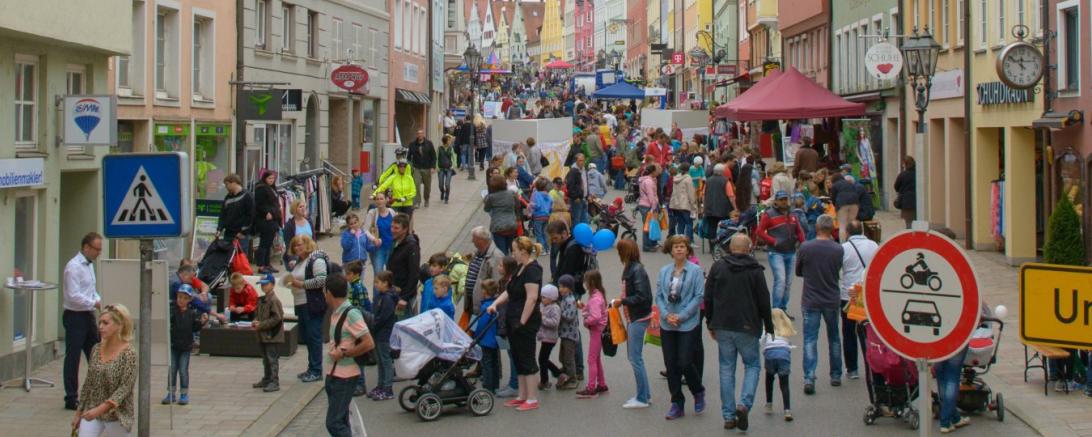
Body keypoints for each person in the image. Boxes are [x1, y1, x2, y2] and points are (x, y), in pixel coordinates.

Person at [705, 233, 774, 431]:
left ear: (730, 247)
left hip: (723, 324)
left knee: (726, 368)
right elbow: (763, 300)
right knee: (752, 365)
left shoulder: (718, 266)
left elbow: (708, 296)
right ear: (749, 248)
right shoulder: (754, 270)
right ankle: (744, 404)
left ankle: (728, 415)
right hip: (747, 325)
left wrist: (710, 321)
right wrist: (768, 325)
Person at [486, 237, 545, 411]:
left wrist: (522, 321)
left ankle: (532, 398)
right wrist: (495, 303)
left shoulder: (533, 270)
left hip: (525, 321)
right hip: (513, 319)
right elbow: (509, 291)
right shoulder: (520, 268)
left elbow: (532, 297)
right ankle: (522, 395)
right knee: (517, 357)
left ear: (523, 252)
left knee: (527, 358)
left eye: (514, 250)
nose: (512, 253)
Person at [657, 235, 707, 420]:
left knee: (685, 362)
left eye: (682, 246)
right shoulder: (664, 271)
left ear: (687, 250)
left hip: (687, 323)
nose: (679, 249)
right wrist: (665, 314)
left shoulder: (695, 271)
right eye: (676, 247)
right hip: (667, 323)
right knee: (671, 364)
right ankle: (676, 402)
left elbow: (698, 296)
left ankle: (698, 390)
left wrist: (682, 315)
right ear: (671, 250)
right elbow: (659, 296)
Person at [795, 215, 844, 394]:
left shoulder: (806, 247)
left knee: (810, 339)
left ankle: (809, 376)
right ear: (832, 229)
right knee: (834, 337)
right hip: (831, 298)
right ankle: (836, 374)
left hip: (811, 299)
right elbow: (838, 269)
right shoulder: (838, 249)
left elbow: (798, 270)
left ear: (816, 228)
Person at [71, 304, 137, 436]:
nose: (100, 327)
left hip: (117, 414)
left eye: (105, 323)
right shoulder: (96, 349)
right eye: (99, 322)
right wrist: (79, 413)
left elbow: (125, 388)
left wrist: (100, 409)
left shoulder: (129, 353)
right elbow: (88, 383)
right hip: (92, 410)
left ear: (120, 325)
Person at [324, 274, 375, 437]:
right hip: (333, 373)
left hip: (345, 376)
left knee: (334, 423)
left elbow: (368, 342)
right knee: (342, 419)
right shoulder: (336, 313)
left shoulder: (351, 314)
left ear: (329, 293)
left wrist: (345, 353)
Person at [63, 232, 103, 411]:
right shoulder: (73, 267)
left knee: (96, 354)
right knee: (73, 357)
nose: (98, 253)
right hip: (75, 315)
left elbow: (90, 289)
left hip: (88, 315)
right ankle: (71, 397)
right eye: (97, 249)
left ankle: (97, 392)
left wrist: (98, 299)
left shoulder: (89, 265)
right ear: (86, 247)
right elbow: (73, 296)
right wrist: (93, 302)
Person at [613, 239, 653, 409]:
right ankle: (644, 394)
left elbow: (642, 296)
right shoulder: (633, 268)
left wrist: (622, 301)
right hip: (635, 317)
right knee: (635, 357)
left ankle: (643, 397)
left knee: (635, 357)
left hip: (638, 317)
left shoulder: (636, 270)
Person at [284, 234, 328, 383]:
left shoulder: (316, 260)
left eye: (300, 245)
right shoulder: (300, 261)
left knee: (314, 336)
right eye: (295, 245)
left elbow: (321, 280)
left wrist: (301, 284)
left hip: (312, 303)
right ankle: (312, 367)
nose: (297, 248)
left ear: (308, 245)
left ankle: (316, 370)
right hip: (301, 303)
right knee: (307, 336)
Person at [840, 220, 878, 380]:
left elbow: (839, 270)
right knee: (868, 333)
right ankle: (871, 367)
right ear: (862, 230)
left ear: (847, 232)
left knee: (849, 332)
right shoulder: (874, 245)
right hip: (868, 293)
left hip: (850, 294)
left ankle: (852, 369)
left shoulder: (844, 248)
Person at [755, 191, 806, 312]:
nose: (784, 202)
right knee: (781, 280)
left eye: (785, 199)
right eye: (781, 199)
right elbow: (759, 231)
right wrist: (773, 241)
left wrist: (804, 243)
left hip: (791, 251)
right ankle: (776, 310)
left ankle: (783, 309)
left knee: (788, 283)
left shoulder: (792, 214)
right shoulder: (769, 214)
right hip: (776, 252)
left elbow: (799, 231)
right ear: (776, 201)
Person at [163, 287, 207, 405]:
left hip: (186, 347)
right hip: (174, 345)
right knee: (172, 369)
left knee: (183, 370)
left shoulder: (191, 313)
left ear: (189, 300)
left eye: (184, 298)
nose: (181, 300)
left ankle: (184, 393)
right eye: (179, 297)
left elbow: (194, 328)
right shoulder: (172, 311)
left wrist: (202, 322)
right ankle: (171, 393)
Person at [576, 270, 609, 399]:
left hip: (596, 330)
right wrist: (585, 307)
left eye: (586, 281)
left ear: (592, 282)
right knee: (596, 358)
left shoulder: (595, 298)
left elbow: (595, 316)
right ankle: (601, 384)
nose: (584, 283)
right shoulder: (598, 295)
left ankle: (591, 388)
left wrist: (586, 321)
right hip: (600, 330)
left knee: (591, 359)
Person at [368, 271, 399, 400]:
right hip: (379, 333)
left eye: (377, 282)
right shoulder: (381, 296)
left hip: (384, 334)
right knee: (380, 361)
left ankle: (387, 388)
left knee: (385, 361)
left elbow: (383, 317)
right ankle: (380, 385)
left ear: (385, 283)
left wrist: (373, 326)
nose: (375, 285)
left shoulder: (387, 298)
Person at [253, 273, 285, 393]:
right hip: (263, 335)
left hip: (272, 335)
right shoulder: (262, 300)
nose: (263, 287)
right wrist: (256, 320)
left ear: (272, 285)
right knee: (265, 358)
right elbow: (258, 314)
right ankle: (267, 378)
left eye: (265, 284)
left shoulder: (274, 300)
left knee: (272, 359)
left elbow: (277, 318)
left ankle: (274, 381)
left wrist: (261, 325)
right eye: (262, 285)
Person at [763, 309, 797, 421]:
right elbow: (787, 344)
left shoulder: (767, 329)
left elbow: (759, 339)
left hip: (770, 354)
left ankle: (769, 404)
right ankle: (787, 410)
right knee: (784, 384)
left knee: (769, 378)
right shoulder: (786, 330)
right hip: (783, 355)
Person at [464, 226, 506, 316]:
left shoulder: (497, 256)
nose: (472, 241)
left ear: (481, 240)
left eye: (474, 239)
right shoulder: (477, 253)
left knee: (478, 329)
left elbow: (497, 285)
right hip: (472, 302)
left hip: (484, 306)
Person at [387, 213, 421, 319]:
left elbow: (414, 274)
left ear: (405, 229)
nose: (392, 230)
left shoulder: (411, 246)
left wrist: (405, 298)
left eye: (396, 228)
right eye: (392, 227)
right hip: (394, 292)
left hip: (404, 296)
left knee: (405, 326)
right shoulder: (395, 242)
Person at [253, 170, 282, 274]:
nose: (271, 180)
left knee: (269, 243)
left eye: (273, 178)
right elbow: (259, 204)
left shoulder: (272, 188)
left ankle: (267, 264)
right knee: (264, 243)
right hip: (265, 220)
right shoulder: (261, 188)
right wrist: (266, 212)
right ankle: (261, 266)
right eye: (269, 178)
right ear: (265, 178)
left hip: (273, 218)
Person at [476, 279, 502, 393]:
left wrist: (476, 336)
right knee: (494, 362)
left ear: (485, 292)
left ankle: (487, 387)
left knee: (486, 364)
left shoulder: (485, 307)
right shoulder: (496, 304)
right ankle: (495, 385)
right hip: (494, 339)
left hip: (486, 340)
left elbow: (482, 324)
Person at [555, 275, 581, 390]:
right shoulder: (564, 299)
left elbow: (569, 317)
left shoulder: (570, 301)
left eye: (563, 287)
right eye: (559, 286)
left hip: (570, 334)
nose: (560, 289)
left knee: (569, 357)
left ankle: (572, 378)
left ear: (569, 288)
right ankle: (566, 373)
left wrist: (558, 311)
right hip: (565, 333)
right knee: (563, 356)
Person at [484, 175, 521, 255]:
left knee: (501, 251)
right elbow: (518, 206)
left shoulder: (491, 197)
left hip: (498, 227)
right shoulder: (512, 194)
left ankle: (505, 264)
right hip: (511, 224)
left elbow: (486, 209)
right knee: (511, 248)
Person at [537, 284, 563, 390]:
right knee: (543, 359)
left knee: (542, 359)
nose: (542, 299)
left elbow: (555, 323)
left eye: (544, 297)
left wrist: (542, 318)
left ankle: (551, 377)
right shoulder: (543, 306)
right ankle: (548, 378)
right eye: (541, 297)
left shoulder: (555, 308)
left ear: (551, 298)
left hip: (550, 338)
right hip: (545, 337)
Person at [703, 163, 735, 244]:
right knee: (724, 227)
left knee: (711, 227)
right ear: (723, 171)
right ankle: (722, 243)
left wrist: (704, 206)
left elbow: (704, 194)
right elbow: (731, 196)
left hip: (710, 208)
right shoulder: (726, 181)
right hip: (723, 208)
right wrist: (735, 208)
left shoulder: (708, 180)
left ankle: (712, 245)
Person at [363, 192, 395, 273]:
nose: (379, 201)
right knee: (378, 275)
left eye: (381, 199)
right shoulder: (372, 213)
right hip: (378, 249)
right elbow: (365, 230)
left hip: (391, 247)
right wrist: (374, 239)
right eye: (377, 199)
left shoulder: (391, 212)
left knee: (390, 274)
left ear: (386, 200)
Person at [217, 173, 255, 243]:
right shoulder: (228, 197)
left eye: (227, 184)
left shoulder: (247, 196)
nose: (226, 187)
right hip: (228, 234)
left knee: (240, 254)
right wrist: (219, 229)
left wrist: (243, 232)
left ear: (234, 183)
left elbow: (251, 216)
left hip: (240, 235)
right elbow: (223, 214)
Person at [282, 199, 314, 269]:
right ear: (294, 210)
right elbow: (289, 244)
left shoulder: (309, 221)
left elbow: (313, 240)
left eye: (304, 206)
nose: (303, 208)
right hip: (296, 256)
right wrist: (292, 259)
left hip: (309, 254)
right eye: (300, 207)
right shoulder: (289, 225)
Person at [830, 174, 862, 243]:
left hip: (842, 203)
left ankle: (843, 245)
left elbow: (833, 198)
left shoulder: (835, 185)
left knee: (842, 226)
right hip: (855, 203)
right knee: (851, 225)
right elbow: (856, 193)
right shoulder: (850, 183)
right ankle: (853, 243)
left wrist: (836, 207)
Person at [408, 130, 437, 208]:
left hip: (427, 168)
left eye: (421, 134)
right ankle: (417, 202)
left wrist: (433, 167)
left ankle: (426, 199)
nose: (420, 135)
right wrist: (410, 166)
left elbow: (433, 156)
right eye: (418, 134)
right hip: (416, 167)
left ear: (423, 135)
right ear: (417, 135)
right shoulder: (412, 144)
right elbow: (409, 157)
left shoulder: (429, 143)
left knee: (427, 186)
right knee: (416, 184)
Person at [669, 164, 697, 241]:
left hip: (676, 204)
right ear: (688, 170)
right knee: (689, 223)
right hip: (685, 204)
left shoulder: (676, 178)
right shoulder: (688, 179)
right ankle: (689, 240)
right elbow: (691, 194)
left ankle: (679, 239)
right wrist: (693, 206)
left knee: (680, 223)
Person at [637, 165, 660, 252]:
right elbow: (651, 195)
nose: (658, 171)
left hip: (644, 204)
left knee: (650, 225)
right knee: (648, 226)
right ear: (653, 171)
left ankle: (652, 243)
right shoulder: (649, 181)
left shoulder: (646, 180)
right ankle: (647, 246)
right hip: (648, 205)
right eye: (657, 169)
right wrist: (654, 207)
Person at [529, 178, 554, 253]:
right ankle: (548, 248)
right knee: (545, 232)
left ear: (536, 186)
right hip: (546, 216)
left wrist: (531, 204)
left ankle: (542, 249)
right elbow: (551, 205)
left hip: (538, 216)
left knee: (538, 233)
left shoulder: (536, 194)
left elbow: (537, 205)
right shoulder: (548, 195)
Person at [565, 153, 590, 225]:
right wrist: (575, 197)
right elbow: (569, 185)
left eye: (583, 160)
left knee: (585, 220)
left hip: (584, 198)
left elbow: (585, 183)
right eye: (580, 160)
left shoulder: (584, 169)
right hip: (577, 200)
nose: (582, 162)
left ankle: (584, 235)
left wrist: (588, 194)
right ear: (576, 161)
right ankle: (575, 236)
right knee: (576, 220)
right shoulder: (574, 171)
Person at [894, 155, 917, 229]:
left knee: (908, 222)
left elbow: (896, 186)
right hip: (917, 200)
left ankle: (911, 236)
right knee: (916, 221)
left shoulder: (903, 174)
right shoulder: (917, 174)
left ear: (905, 164)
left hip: (906, 201)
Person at [437, 135, 457, 204]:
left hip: (449, 169)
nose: (450, 141)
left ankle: (446, 198)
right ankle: (442, 192)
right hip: (441, 169)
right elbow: (436, 158)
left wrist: (453, 166)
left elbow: (454, 157)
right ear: (445, 141)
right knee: (440, 185)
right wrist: (437, 167)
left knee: (447, 184)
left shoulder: (451, 148)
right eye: (449, 140)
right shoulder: (439, 148)